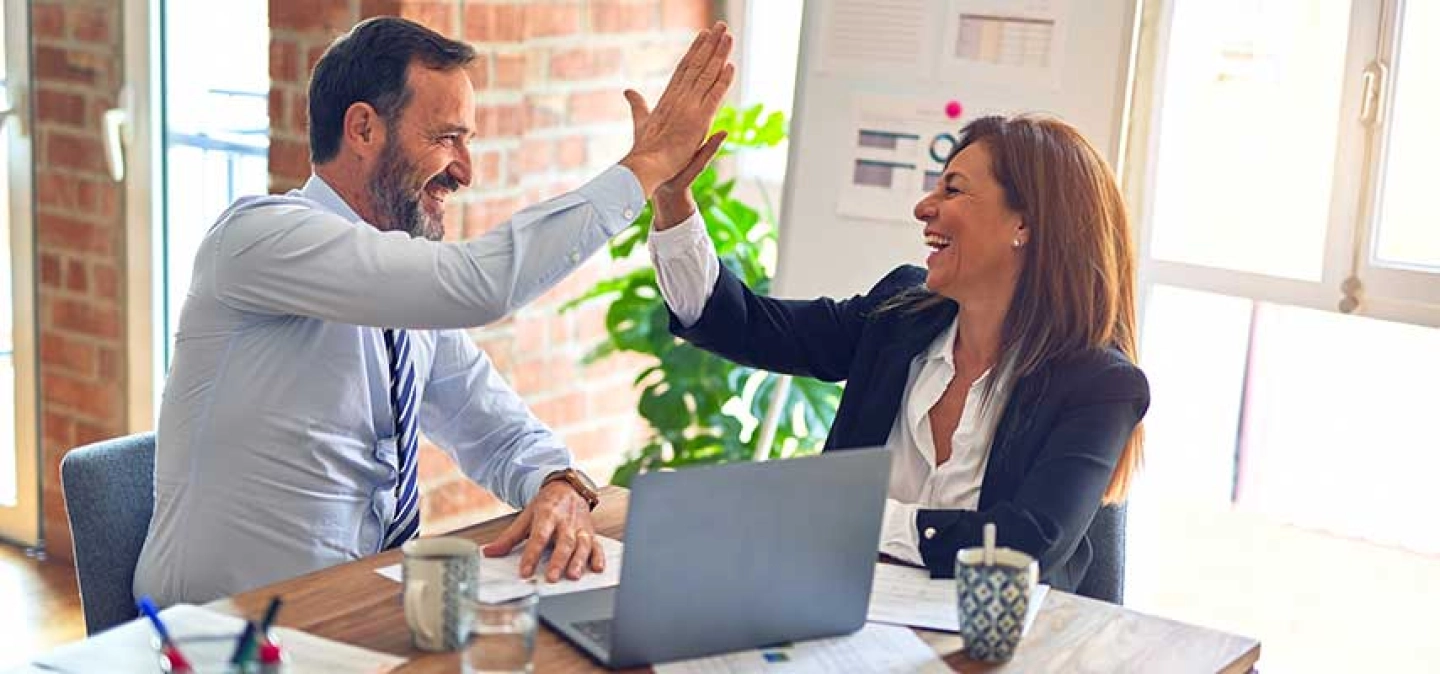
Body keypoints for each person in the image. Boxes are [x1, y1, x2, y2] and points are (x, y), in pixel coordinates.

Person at [133, 16, 734, 606]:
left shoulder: (404, 298)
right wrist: (647, 166)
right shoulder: (258, 239)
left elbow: (494, 428)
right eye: (447, 138)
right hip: (218, 637)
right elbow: (480, 285)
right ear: (364, 130)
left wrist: (558, 483)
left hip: (355, 616)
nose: (465, 171)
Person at [647, 114, 1149, 593]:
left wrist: (854, 516)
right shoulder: (900, 316)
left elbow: (1023, 547)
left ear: (1025, 224)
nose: (924, 207)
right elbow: (745, 325)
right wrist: (672, 201)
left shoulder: (1099, 385)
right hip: (843, 617)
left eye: (952, 189)